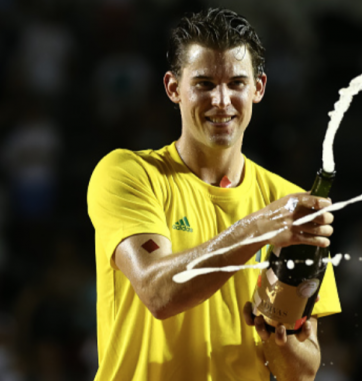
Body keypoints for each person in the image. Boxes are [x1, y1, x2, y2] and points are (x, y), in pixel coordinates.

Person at [87, 8, 341, 381]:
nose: (222, 100)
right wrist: (259, 227)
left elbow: (301, 372)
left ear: (259, 88)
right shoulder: (128, 173)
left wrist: (280, 340)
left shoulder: (288, 201)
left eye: (236, 83)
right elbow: (157, 292)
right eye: (204, 84)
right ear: (174, 88)